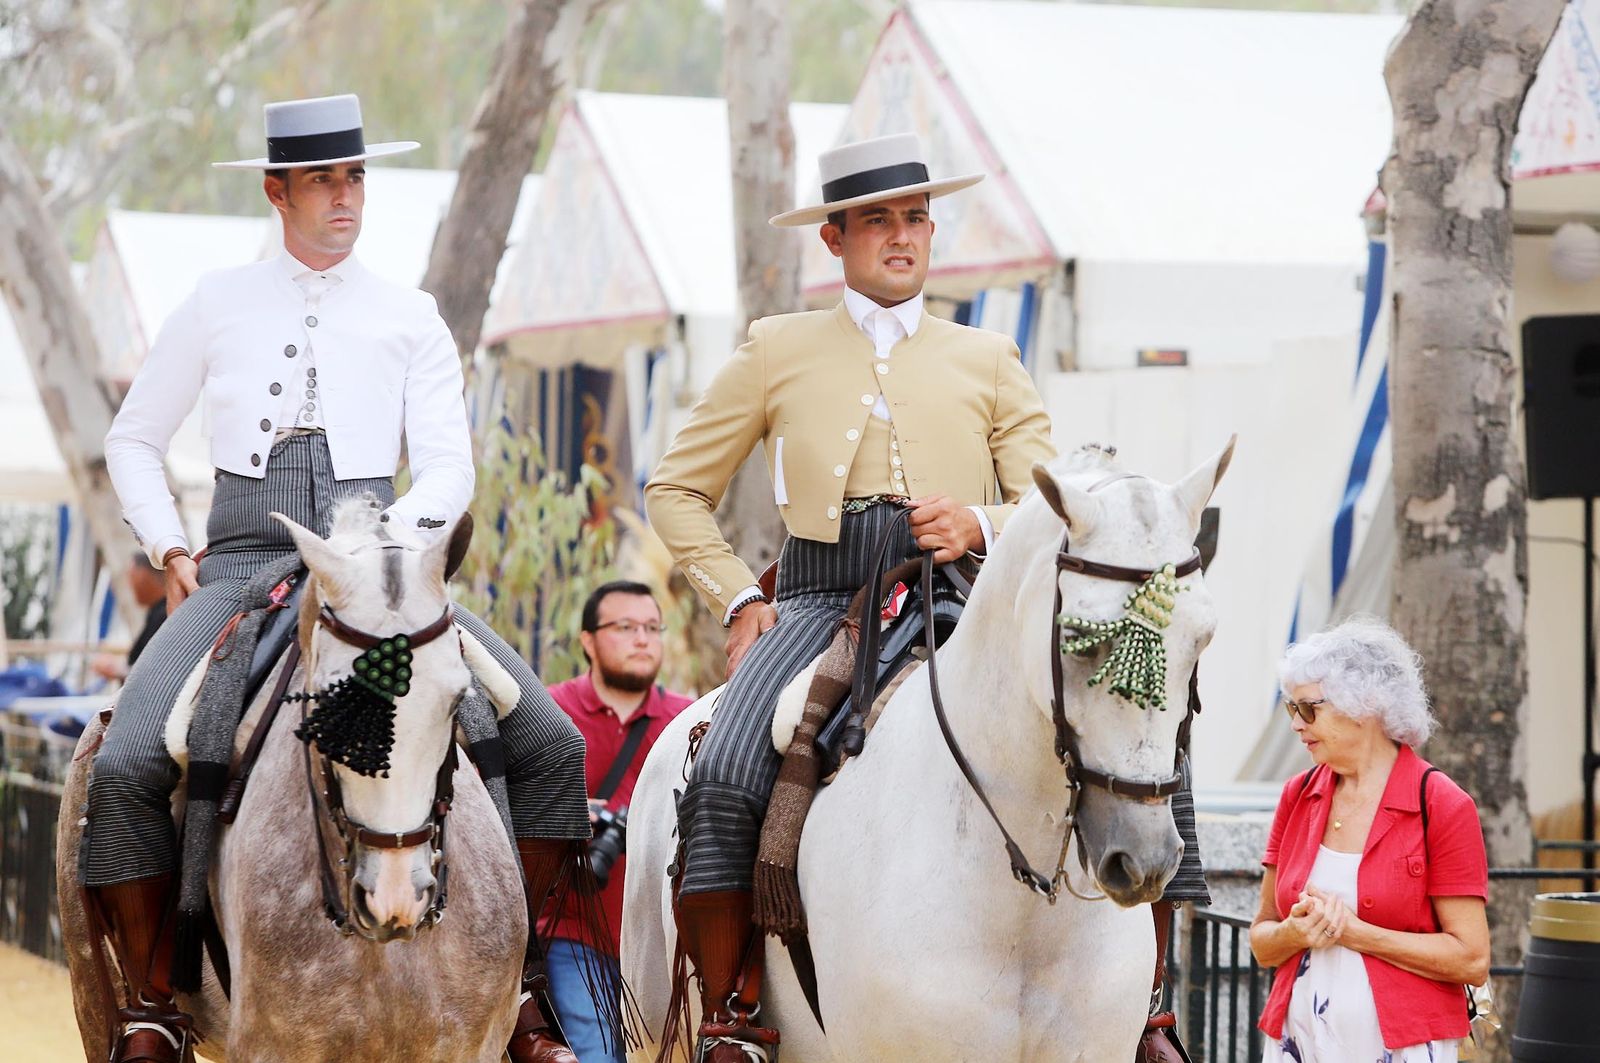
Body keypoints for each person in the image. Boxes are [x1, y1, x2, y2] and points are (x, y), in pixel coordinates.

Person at [92, 94, 589, 1063]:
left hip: (384, 582)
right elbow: (134, 437)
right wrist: (170, 549)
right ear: (277, 190)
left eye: (355, 175)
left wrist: (386, 550)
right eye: (323, 178)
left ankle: (520, 987)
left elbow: (449, 467)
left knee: (548, 738)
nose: (344, 195)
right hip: (236, 568)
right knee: (124, 764)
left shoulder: (410, 315)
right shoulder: (213, 302)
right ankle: (156, 994)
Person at [643, 133, 1056, 1061]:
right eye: (879, 220)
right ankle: (731, 1011)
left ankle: (1146, 1006)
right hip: (819, 597)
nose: (904, 237)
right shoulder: (774, 347)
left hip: (961, 594)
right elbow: (674, 488)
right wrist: (738, 601)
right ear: (834, 239)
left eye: (916, 218)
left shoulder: (989, 354)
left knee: (1115, 729)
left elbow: (1053, 498)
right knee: (719, 775)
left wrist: (983, 524)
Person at [1250, 618, 1490, 1062]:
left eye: (1309, 709)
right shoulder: (1297, 796)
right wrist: (1294, 931)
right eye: (1291, 710)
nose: (1297, 725)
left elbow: (1471, 958)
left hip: (1404, 1047)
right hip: (1298, 1042)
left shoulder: (1442, 804)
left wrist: (1355, 933)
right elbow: (1263, 942)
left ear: (1364, 705)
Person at [541, 581, 694, 1063]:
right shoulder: (549, 713)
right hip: (574, 930)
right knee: (598, 1057)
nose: (643, 639)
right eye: (625, 627)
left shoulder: (688, 720)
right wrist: (569, 814)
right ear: (588, 640)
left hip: (661, 939)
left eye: (652, 627)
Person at [91, 553, 168, 682]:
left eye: (132, 576)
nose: (130, 584)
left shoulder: (165, 614)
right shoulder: (156, 612)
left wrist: (117, 670)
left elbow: (158, 671)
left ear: (145, 575)